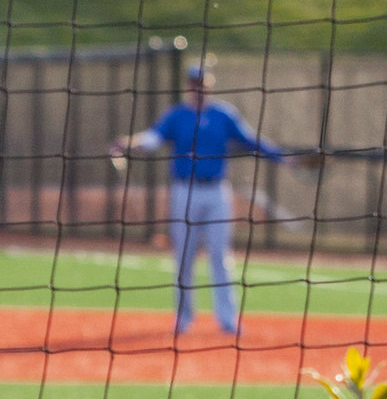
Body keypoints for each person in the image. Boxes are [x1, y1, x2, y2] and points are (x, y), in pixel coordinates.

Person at [108, 56, 283, 333]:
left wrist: (285, 156)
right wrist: (129, 142)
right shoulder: (178, 115)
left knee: (220, 257)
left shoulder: (223, 114)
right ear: (188, 86)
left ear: (209, 85)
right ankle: (183, 318)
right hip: (185, 192)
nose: (198, 87)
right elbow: (153, 139)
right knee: (184, 257)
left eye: (202, 83)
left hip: (216, 192)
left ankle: (227, 320)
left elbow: (251, 141)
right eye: (194, 83)